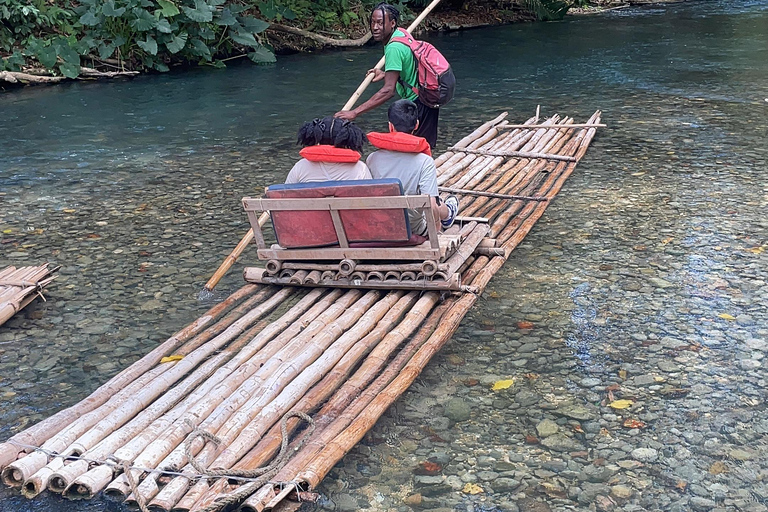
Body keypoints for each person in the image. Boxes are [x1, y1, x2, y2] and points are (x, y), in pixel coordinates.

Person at [335, 2, 440, 149]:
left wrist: (354, 112)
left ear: (392, 23)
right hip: (427, 97)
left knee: (416, 150)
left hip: (419, 103)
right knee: (421, 148)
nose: (375, 27)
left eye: (380, 23)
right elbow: (408, 67)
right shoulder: (402, 33)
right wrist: (386, 74)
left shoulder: (393, 48)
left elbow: (388, 91)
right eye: (373, 22)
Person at [366, 99, 458, 237]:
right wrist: (437, 229)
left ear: (390, 126)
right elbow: (431, 206)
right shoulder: (425, 162)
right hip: (413, 230)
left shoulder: (372, 158)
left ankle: (448, 211)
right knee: (437, 202)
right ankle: (449, 213)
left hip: (380, 226)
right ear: (416, 125)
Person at [285, 116, 372, 184]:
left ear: (317, 137)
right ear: (348, 139)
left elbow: (285, 196)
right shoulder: (360, 169)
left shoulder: (301, 167)